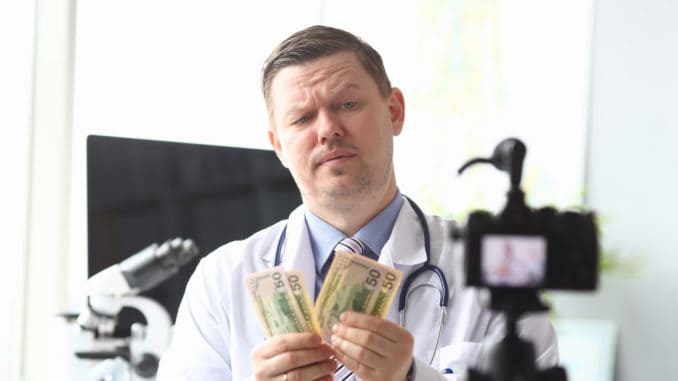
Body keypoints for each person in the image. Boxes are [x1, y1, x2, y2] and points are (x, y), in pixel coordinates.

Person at [157, 25, 558, 381]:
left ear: (394, 111)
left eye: (347, 105)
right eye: (302, 119)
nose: (328, 130)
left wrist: (412, 378)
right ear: (278, 145)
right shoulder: (221, 280)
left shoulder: (492, 266)